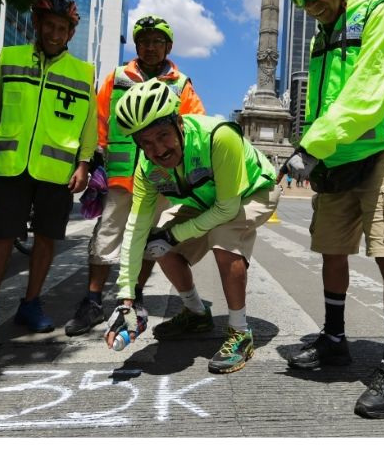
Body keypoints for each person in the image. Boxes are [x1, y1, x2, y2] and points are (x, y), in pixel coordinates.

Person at [277, 0, 384, 419]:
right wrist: (312, 148)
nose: (310, 4)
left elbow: (369, 94)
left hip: (382, 153)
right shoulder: (322, 34)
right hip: (336, 157)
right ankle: (334, 340)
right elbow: (323, 103)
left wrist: (311, 147)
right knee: (332, 250)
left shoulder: (380, 16)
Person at [102, 80, 280, 374]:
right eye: (146, 143)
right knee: (154, 240)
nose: (157, 150)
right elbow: (135, 228)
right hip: (207, 200)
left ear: (179, 123)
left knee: (223, 237)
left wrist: (175, 234)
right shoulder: (147, 169)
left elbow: (227, 209)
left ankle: (240, 333)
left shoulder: (219, 137)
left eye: (163, 135)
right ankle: (197, 313)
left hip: (251, 192)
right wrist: (125, 299)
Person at [0, 0, 96, 347]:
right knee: (0, 238)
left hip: (56, 171)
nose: (55, 34)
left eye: (63, 28)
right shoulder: (9, 58)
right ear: (37, 25)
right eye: (49, 26)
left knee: (45, 239)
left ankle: (30, 303)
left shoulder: (84, 72)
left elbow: (88, 122)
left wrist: (84, 163)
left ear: (71, 33)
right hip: (10, 166)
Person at [63, 15, 205, 337]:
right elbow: (98, 121)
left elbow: (195, 126)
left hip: (160, 178)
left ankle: (134, 298)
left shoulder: (180, 83)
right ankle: (93, 301)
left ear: (167, 46)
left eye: (157, 41)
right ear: (136, 45)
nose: (150, 47)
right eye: (144, 41)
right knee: (105, 237)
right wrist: (91, 162)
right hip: (121, 176)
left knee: (148, 240)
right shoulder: (116, 78)